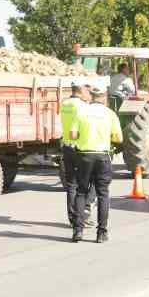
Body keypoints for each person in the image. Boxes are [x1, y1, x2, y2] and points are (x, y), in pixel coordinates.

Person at [71, 89, 123, 243]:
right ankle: (101, 232)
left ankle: (78, 231)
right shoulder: (110, 114)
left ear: (91, 98)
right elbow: (119, 138)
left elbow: (73, 135)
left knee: (81, 192)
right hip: (102, 156)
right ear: (105, 98)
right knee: (103, 194)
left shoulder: (81, 112)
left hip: (84, 155)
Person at [59, 83, 89, 229]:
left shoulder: (64, 104)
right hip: (80, 147)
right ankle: (81, 215)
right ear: (80, 91)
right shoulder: (82, 106)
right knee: (83, 184)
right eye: (85, 90)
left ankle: (72, 217)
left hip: (66, 146)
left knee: (71, 184)